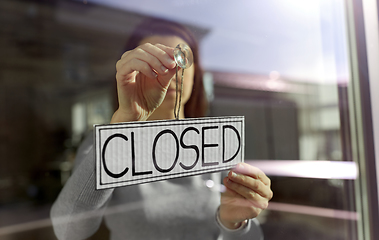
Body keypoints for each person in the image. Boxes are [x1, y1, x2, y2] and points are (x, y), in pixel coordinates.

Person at [50, 17, 273, 240]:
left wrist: (234, 223)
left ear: (196, 73)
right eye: (154, 59)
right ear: (134, 68)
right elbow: (68, 230)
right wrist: (124, 125)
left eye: (182, 57)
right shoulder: (108, 140)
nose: (171, 70)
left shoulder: (216, 141)